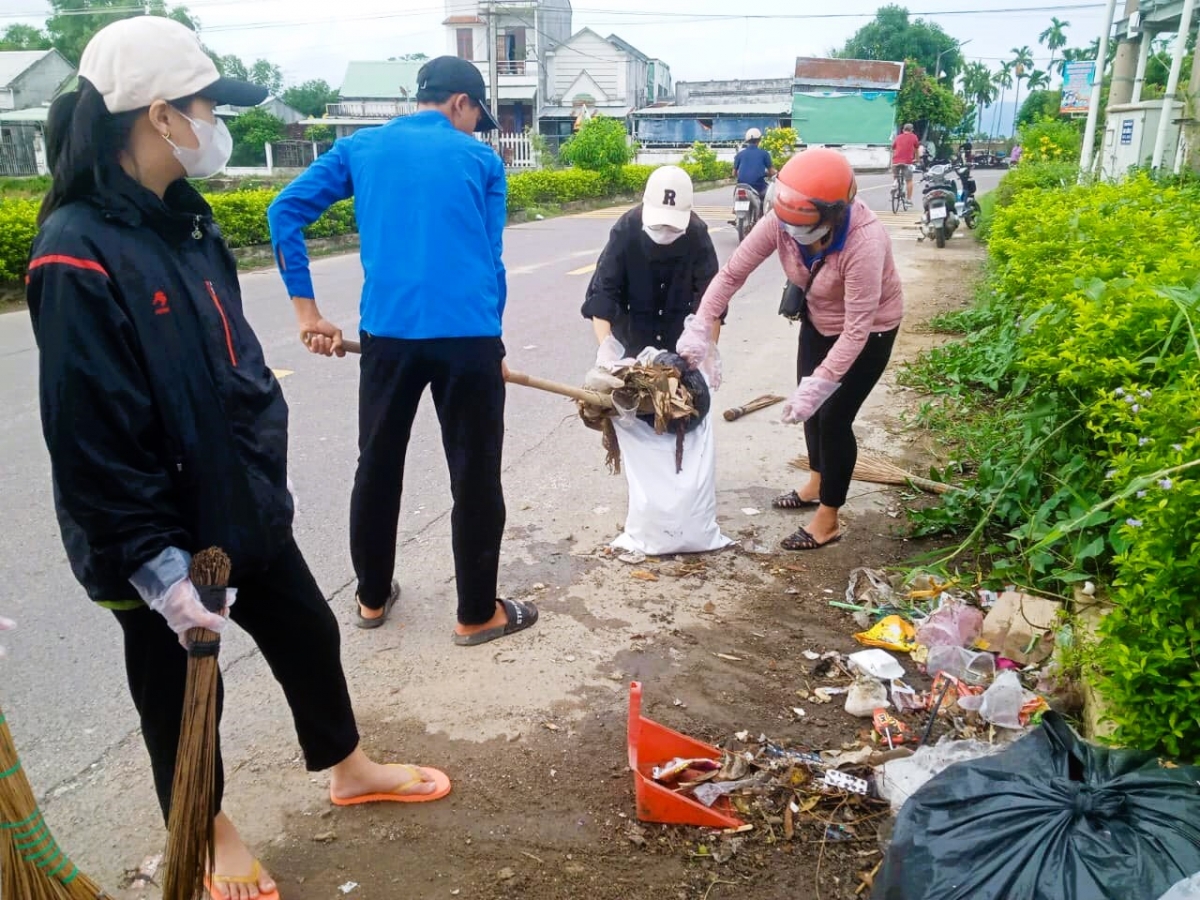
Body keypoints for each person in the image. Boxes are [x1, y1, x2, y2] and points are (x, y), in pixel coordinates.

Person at [27, 18, 450, 900]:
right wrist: (156, 564)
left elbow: (236, 364)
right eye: (209, 105)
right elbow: (90, 435)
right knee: (182, 695)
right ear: (160, 115)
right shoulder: (75, 250)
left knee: (307, 630)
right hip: (159, 535)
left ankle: (348, 766)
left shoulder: (185, 222)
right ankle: (206, 828)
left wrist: (265, 473)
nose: (216, 122)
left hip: (236, 504)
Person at [267, 56, 538, 645]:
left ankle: (369, 599)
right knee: (474, 473)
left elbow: (283, 210)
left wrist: (306, 312)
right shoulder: (483, 161)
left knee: (378, 463)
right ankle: (475, 613)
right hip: (467, 337)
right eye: (476, 116)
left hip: (386, 338)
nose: (475, 127)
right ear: (462, 103)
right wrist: (492, 344)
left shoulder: (360, 150)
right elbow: (491, 262)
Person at [677, 149, 904, 552]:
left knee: (833, 417)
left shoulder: (864, 242)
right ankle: (817, 481)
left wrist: (823, 382)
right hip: (817, 319)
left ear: (833, 215)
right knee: (810, 409)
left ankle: (829, 516)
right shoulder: (784, 220)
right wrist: (700, 326)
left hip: (870, 333)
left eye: (803, 228)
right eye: (787, 225)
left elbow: (857, 329)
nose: (791, 234)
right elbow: (732, 273)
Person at [582, 165, 721, 358]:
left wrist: (708, 353)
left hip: (681, 345)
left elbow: (712, 300)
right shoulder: (626, 229)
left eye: (672, 227)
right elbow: (604, 292)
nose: (664, 231)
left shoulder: (697, 235)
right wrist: (606, 349)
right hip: (631, 339)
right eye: (658, 225)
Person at [733, 128, 776, 202]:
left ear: (747, 141)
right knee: (769, 196)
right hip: (758, 186)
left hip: (742, 186)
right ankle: (763, 211)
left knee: (736, 193)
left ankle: (734, 208)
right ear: (759, 140)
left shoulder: (739, 154)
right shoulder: (764, 154)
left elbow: (733, 173)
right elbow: (772, 172)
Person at [892, 123, 921, 201]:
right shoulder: (914, 137)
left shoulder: (898, 137)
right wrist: (917, 160)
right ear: (912, 130)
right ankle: (908, 200)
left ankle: (895, 184)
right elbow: (916, 150)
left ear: (903, 130)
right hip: (907, 162)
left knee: (896, 176)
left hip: (896, 161)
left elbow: (893, 147)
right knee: (909, 180)